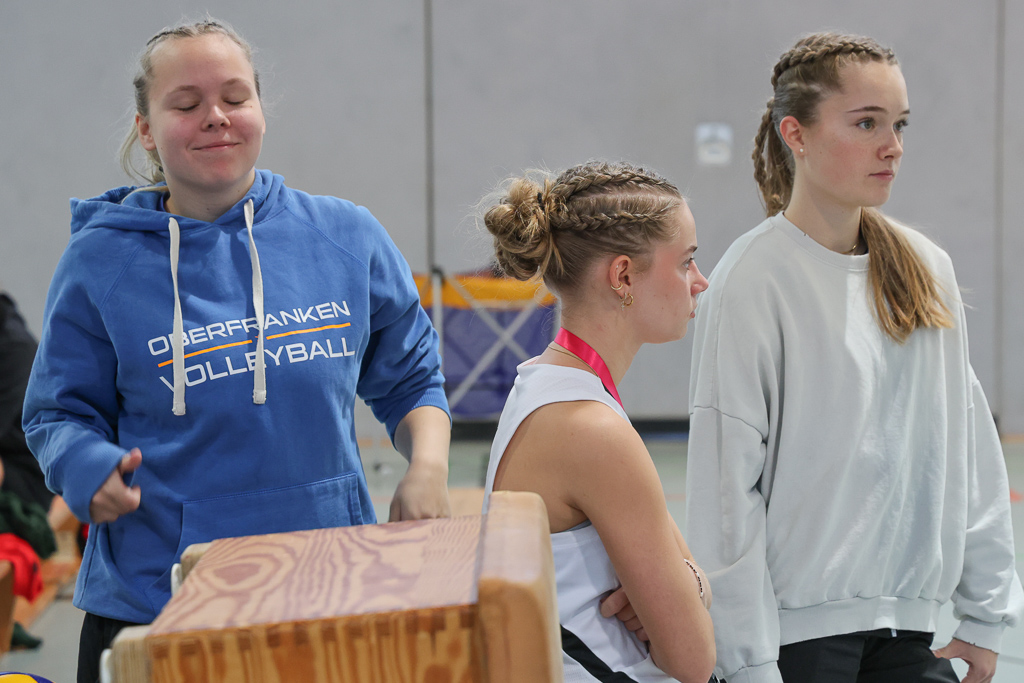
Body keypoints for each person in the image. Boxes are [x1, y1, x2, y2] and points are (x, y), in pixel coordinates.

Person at [21, 19, 451, 683]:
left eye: (234, 97)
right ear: (146, 130)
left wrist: (428, 466)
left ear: (259, 111)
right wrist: (86, 469)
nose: (216, 117)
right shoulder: (99, 260)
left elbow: (413, 377)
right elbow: (56, 413)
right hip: (157, 606)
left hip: (326, 593)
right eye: (186, 103)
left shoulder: (345, 235)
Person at [686, 32, 1024, 683]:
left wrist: (985, 615)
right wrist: (747, 660)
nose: (892, 145)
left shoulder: (927, 269)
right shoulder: (753, 278)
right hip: (795, 643)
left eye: (899, 124)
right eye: (867, 123)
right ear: (796, 134)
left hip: (910, 630)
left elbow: (969, 447)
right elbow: (726, 494)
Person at [481, 161, 716, 683]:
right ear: (623, 276)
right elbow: (694, 659)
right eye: (686, 262)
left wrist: (687, 584)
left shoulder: (548, 383)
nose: (700, 281)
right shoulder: (592, 430)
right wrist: (695, 585)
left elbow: (681, 576)